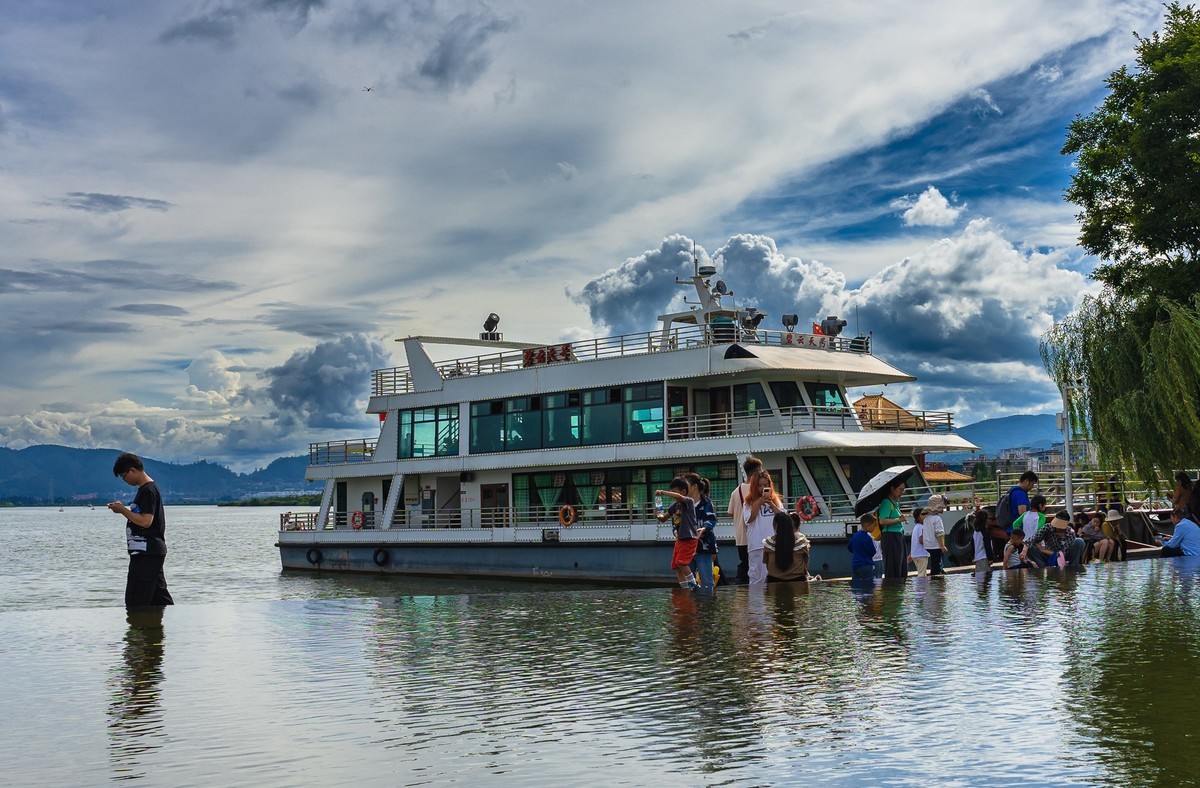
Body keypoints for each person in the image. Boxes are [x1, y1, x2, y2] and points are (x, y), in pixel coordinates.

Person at [108, 452, 174, 609]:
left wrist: (123, 510)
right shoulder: (146, 489)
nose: (125, 481)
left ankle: (137, 625)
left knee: (135, 601)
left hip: (146, 553)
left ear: (132, 470)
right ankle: (173, 623)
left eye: (124, 476)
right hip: (150, 552)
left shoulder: (147, 490)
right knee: (159, 599)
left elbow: (146, 521)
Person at [656, 475, 701, 589]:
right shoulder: (674, 506)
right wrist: (658, 515)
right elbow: (663, 518)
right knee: (676, 566)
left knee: (681, 562)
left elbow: (679, 497)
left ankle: (693, 583)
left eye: (674, 492)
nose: (672, 495)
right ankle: (684, 588)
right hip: (680, 539)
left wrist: (663, 492)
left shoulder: (689, 501)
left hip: (689, 538)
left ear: (683, 491)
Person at [743, 470, 785, 584]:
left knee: (775, 577)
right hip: (757, 545)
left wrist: (772, 504)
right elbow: (749, 519)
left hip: (774, 545)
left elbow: (782, 518)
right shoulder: (748, 502)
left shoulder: (776, 501)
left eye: (765, 485)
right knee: (757, 579)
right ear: (754, 487)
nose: (762, 488)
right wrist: (759, 503)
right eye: (759, 486)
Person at [727, 456, 763, 584]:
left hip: (741, 538)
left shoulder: (735, 492)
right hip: (755, 537)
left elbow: (730, 513)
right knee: (757, 567)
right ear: (756, 472)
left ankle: (741, 589)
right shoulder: (758, 491)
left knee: (744, 563)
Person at [1021, 511, 1086, 568]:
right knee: (1030, 547)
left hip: (1064, 558)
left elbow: (1062, 554)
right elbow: (1032, 539)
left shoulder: (1070, 532)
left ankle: (1072, 567)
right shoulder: (1048, 527)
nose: (1058, 528)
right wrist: (1024, 550)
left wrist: (1044, 551)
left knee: (1080, 541)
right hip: (1048, 557)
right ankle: (1043, 567)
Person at [875, 478, 909, 579]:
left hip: (898, 535)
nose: (902, 492)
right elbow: (882, 521)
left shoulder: (895, 503)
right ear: (892, 489)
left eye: (903, 490)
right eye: (900, 489)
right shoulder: (886, 502)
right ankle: (892, 585)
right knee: (893, 565)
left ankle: (899, 584)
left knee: (900, 565)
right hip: (891, 536)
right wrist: (899, 519)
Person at [763, 511, 811, 582]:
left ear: (775, 526)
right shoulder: (801, 541)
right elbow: (805, 562)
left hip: (773, 581)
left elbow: (767, 564)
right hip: (798, 581)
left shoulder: (768, 543)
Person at [693, 477, 719, 592]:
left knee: (707, 581)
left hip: (704, 547)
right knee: (688, 582)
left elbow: (711, 520)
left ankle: (706, 600)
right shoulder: (682, 504)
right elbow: (676, 521)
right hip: (687, 548)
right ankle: (690, 601)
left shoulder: (707, 503)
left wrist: (704, 529)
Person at [921, 494, 949, 575]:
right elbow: (939, 533)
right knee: (937, 563)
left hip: (928, 545)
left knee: (934, 563)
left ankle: (934, 575)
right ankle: (937, 577)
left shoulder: (926, 518)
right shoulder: (937, 519)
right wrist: (942, 545)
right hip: (936, 545)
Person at [848, 514, 878, 579]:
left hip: (855, 565)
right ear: (867, 525)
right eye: (873, 526)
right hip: (866, 565)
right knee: (868, 583)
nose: (874, 528)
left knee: (856, 583)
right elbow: (873, 552)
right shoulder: (868, 538)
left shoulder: (855, 536)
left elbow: (849, 548)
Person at [909, 508, 929, 577]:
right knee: (922, 574)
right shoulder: (922, 527)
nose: (925, 516)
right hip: (921, 554)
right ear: (917, 517)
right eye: (923, 514)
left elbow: (914, 542)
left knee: (921, 572)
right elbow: (921, 540)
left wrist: (911, 554)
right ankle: (920, 584)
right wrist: (930, 542)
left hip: (915, 554)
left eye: (926, 514)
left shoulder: (916, 527)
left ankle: (922, 584)